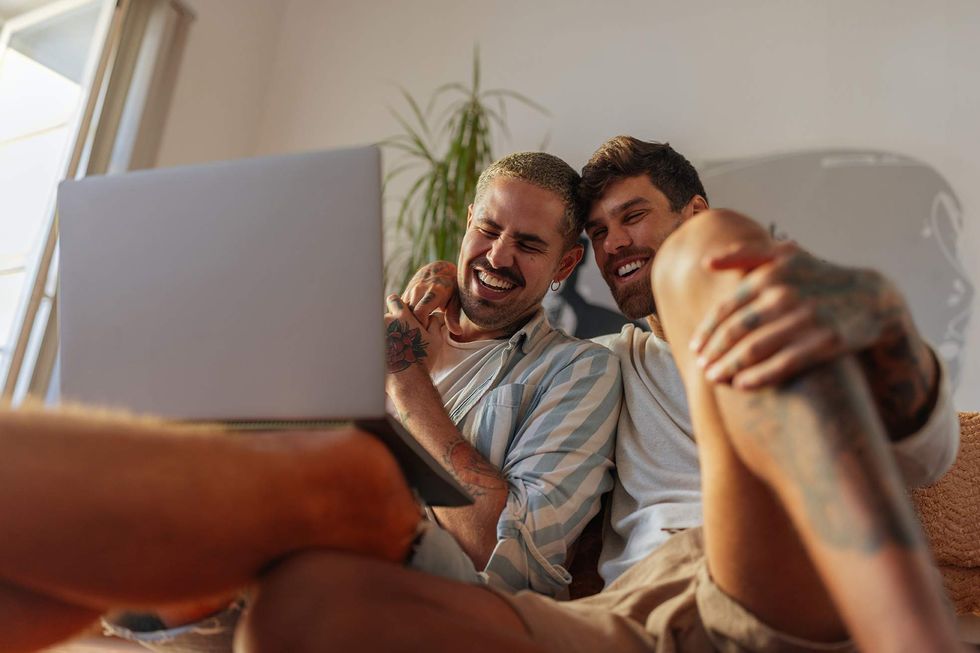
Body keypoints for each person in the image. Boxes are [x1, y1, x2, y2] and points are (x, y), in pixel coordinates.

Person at [275, 136, 963, 653]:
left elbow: (932, 458)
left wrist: (889, 324)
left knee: (714, 252)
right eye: (599, 231)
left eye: (632, 217)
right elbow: (497, 327)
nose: (615, 245)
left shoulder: (792, 317)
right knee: (317, 604)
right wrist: (441, 282)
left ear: (689, 209)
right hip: (628, 611)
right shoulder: (605, 363)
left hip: (768, 577)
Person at [0, 152, 621, 652]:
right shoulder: (380, 320)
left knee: (352, 469)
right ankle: (172, 592)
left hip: (449, 591)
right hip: (292, 558)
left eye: (528, 245)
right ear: (467, 223)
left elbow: (509, 558)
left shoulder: (577, 370)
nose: (498, 256)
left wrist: (405, 381)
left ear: (566, 262)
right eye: (488, 229)